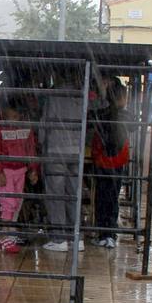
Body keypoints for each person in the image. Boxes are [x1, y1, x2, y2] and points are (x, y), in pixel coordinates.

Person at [39, 65, 85, 253]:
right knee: (73, 194)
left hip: (56, 148)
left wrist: (41, 144)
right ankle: (77, 238)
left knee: (56, 195)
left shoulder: (53, 95)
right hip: (77, 150)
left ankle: (59, 238)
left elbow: (45, 122)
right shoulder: (80, 95)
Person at [0, 99, 39, 254]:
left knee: (16, 202)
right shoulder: (1, 128)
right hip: (6, 170)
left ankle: (6, 236)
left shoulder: (25, 127)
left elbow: (30, 147)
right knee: (8, 203)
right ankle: (7, 236)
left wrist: (33, 168)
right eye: (11, 116)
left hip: (20, 170)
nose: (13, 118)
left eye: (16, 116)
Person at [89, 77, 131, 247]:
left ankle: (101, 233)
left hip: (102, 162)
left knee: (101, 196)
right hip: (118, 163)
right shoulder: (127, 116)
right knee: (113, 198)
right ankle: (110, 234)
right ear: (123, 99)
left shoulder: (100, 114)